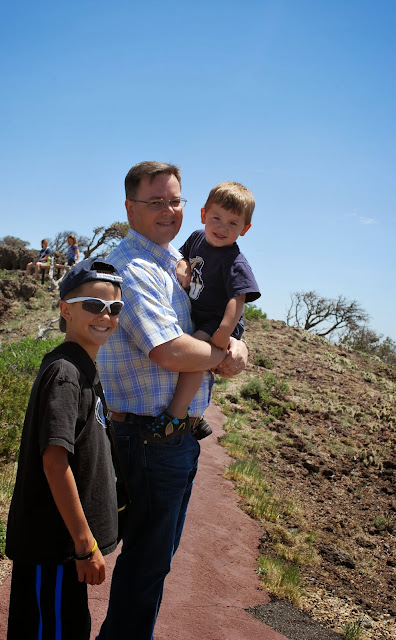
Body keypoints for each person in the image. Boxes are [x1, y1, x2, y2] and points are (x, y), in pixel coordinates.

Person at [96, 161, 249, 640]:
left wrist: (236, 346)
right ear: (130, 208)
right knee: (147, 562)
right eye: (155, 201)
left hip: (167, 436)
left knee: (153, 559)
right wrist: (222, 355)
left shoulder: (175, 260)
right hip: (150, 436)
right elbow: (168, 351)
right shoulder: (133, 268)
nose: (168, 210)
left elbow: (213, 321)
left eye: (174, 200)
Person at [5, 257, 124, 640]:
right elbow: (55, 463)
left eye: (115, 308)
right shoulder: (65, 373)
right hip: (54, 549)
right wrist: (85, 545)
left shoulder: (83, 368)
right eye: (93, 304)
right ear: (65, 309)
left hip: (64, 549)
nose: (105, 315)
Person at [168, 181, 261, 440]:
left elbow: (238, 300)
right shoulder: (197, 238)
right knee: (189, 356)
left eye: (233, 223)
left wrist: (222, 333)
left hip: (218, 320)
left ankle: (176, 416)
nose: (222, 228)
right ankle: (195, 418)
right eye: (216, 218)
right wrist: (183, 264)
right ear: (203, 215)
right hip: (198, 313)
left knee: (193, 357)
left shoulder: (235, 262)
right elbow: (181, 255)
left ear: (245, 229)